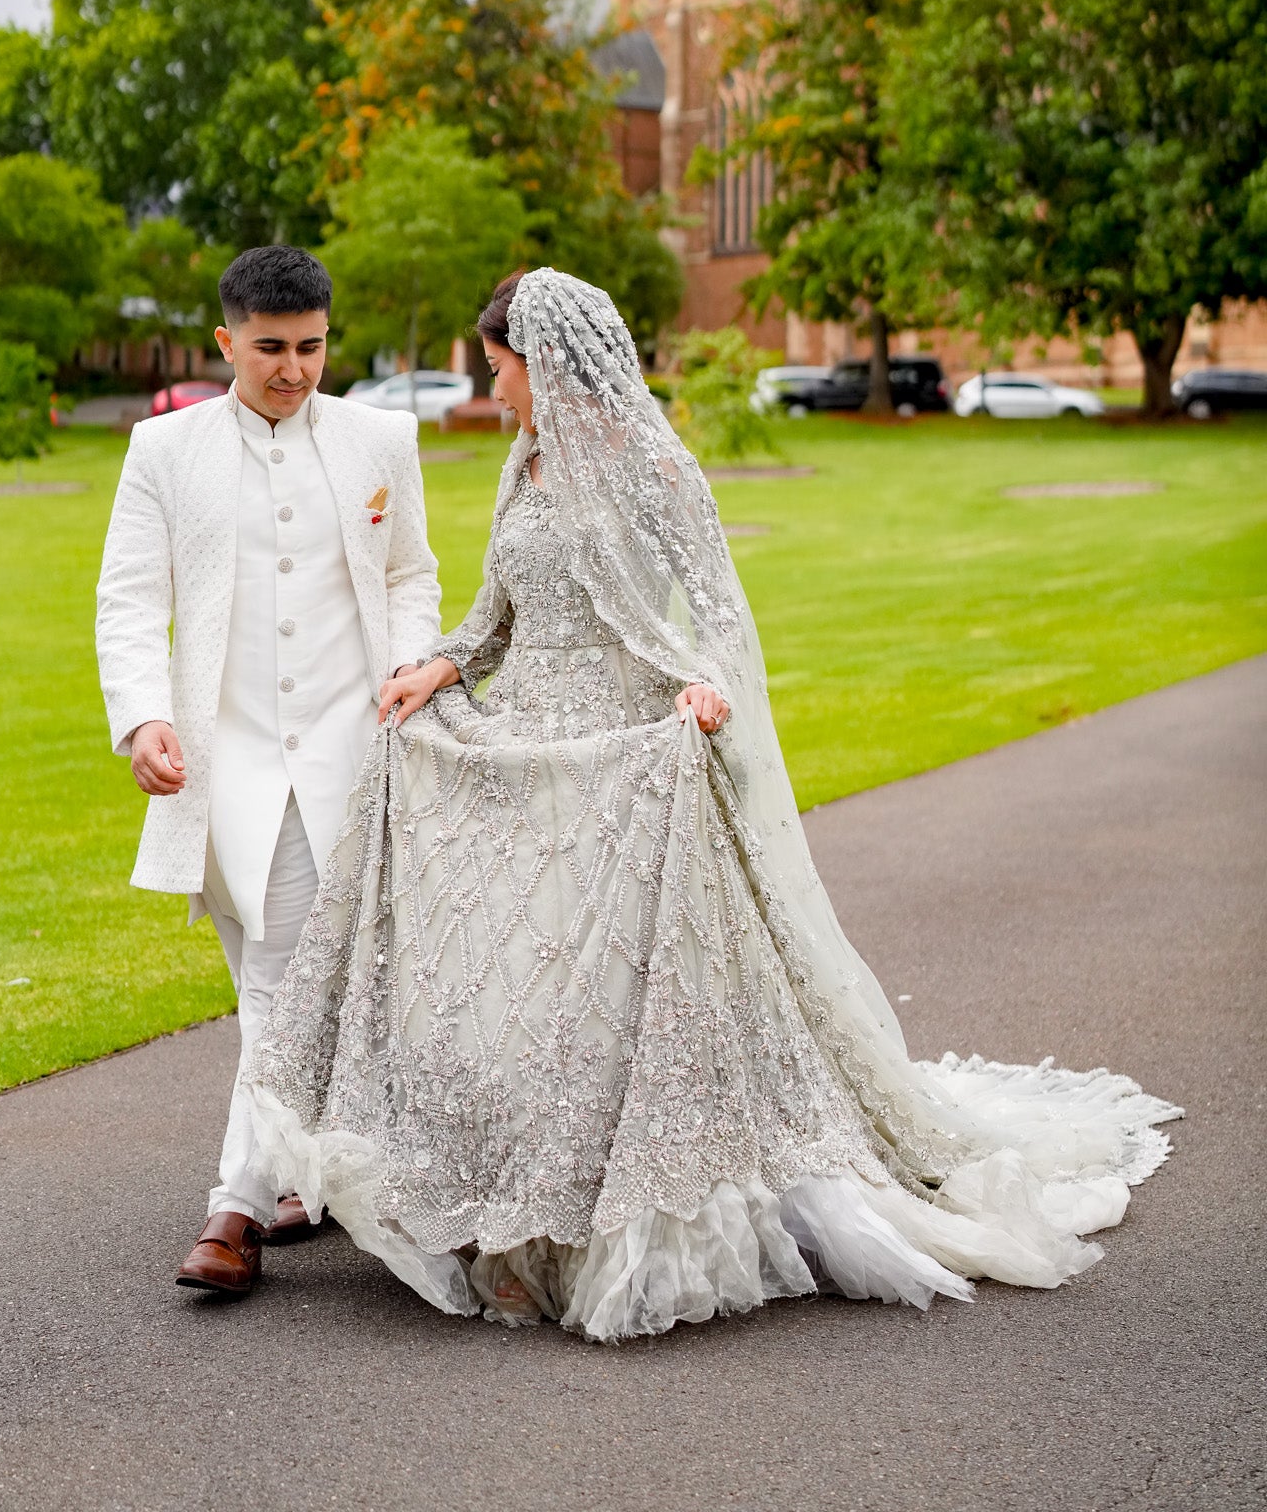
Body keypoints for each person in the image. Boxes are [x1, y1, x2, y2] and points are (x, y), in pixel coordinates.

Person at [231, 267, 1180, 1340]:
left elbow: (718, 604)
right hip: (529, 743)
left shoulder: (650, 463)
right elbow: (495, 613)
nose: (492, 386)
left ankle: (608, 1219)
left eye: (499, 367)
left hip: (630, 754)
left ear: (544, 361)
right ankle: (512, 1215)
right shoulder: (524, 459)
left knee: (613, 1002)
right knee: (513, 984)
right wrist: (442, 667)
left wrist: (703, 683)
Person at [95, 245, 441, 1298]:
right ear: (225, 342)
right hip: (223, 761)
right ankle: (309, 1171)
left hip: (347, 755)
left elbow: (412, 571)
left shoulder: (384, 436)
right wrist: (144, 716)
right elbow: (126, 597)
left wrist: (407, 671)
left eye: (313, 346)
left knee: (283, 979)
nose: (294, 368)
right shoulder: (164, 449)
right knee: (272, 986)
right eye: (272, 348)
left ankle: (234, 1208)